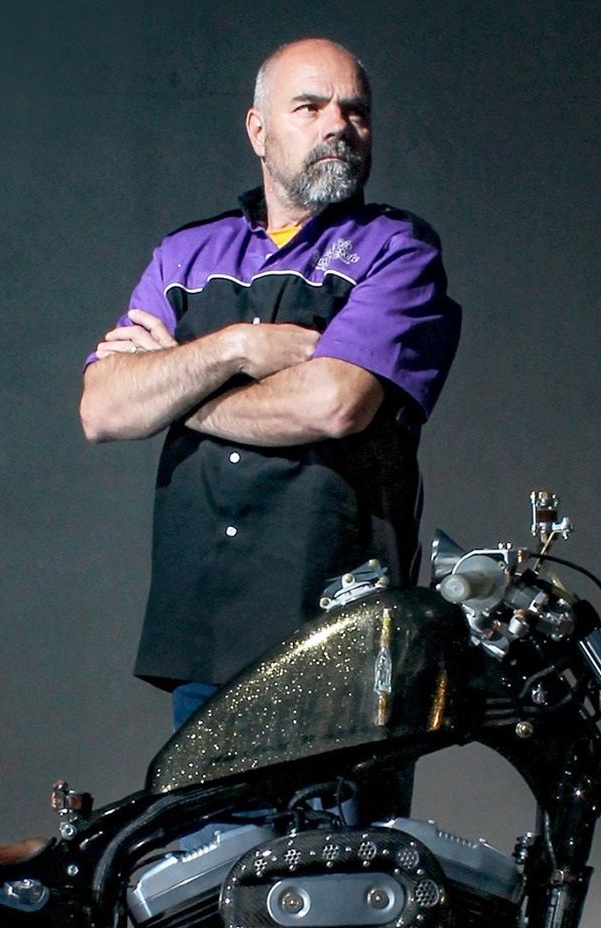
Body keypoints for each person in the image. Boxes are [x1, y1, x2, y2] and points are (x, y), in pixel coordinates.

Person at [79, 37, 462, 735]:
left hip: (343, 640)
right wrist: (236, 345)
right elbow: (104, 407)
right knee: (216, 847)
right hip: (208, 637)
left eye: (355, 112)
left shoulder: (397, 251)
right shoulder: (186, 254)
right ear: (258, 129)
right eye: (310, 107)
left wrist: (179, 387)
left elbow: (334, 402)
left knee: (338, 847)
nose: (337, 126)